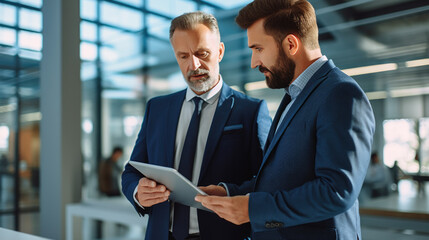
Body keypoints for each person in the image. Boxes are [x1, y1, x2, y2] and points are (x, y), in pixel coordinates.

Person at [195, 1, 375, 239]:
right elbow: (282, 178)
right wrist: (228, 193)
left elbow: (336, 191)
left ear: (291, 44)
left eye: (258, 48)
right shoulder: (293, 96)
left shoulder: (341, 94)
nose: (253, 62)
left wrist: (253, 209)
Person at [121, 11, 271, 240]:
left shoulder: (250, 111)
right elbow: (132, 170)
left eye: (202, 53)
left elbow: (268, 181)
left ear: (220, 51)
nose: (194, 64)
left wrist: (228, 192)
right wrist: (137, 191)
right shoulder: (157, 109)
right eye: (183, 56)